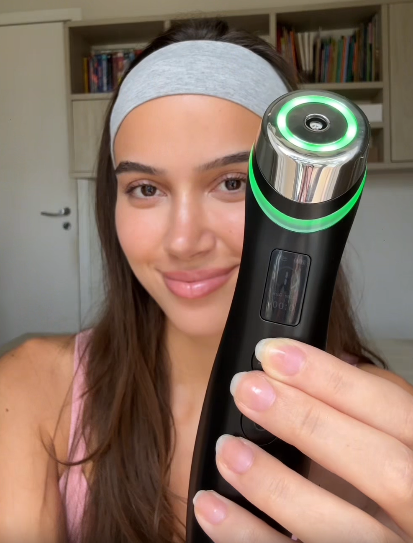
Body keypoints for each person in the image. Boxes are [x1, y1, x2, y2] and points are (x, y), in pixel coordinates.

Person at [0, 18, 412, 543]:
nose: (183, 241)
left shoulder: (385, 428)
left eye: (232, 182)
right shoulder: (30, 389)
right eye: (145, 188)